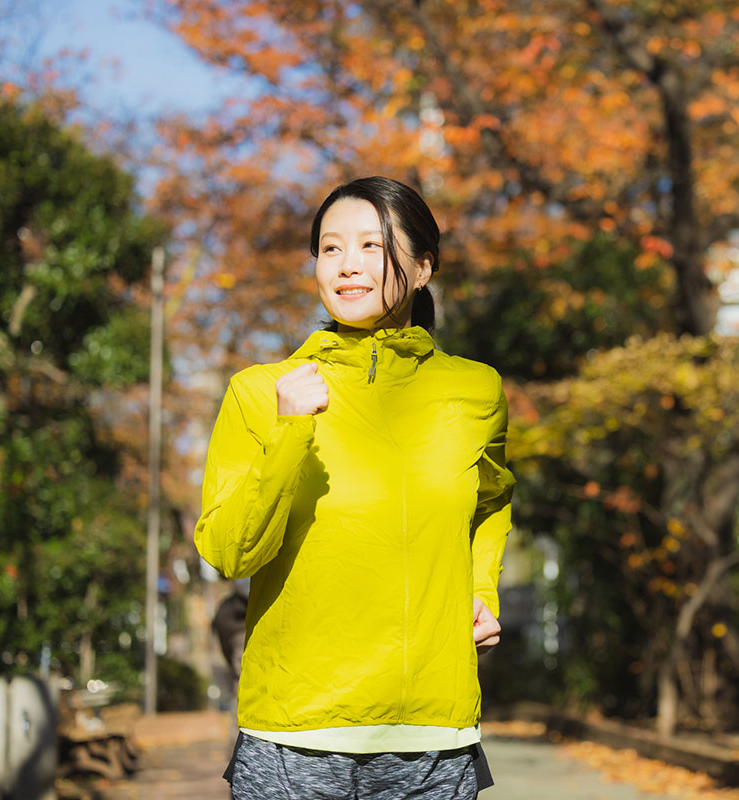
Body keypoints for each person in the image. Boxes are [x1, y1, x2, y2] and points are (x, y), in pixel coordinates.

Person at [194, 177, 513, 799]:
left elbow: (490, 503)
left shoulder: (475, 391)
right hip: (294, 736)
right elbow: (230, 552)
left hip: (432, 734)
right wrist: (290, 433)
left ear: (423, 268)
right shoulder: (261, 391)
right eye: (330, 248)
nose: (347, 266)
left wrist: (480, 591)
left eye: (372, 245)